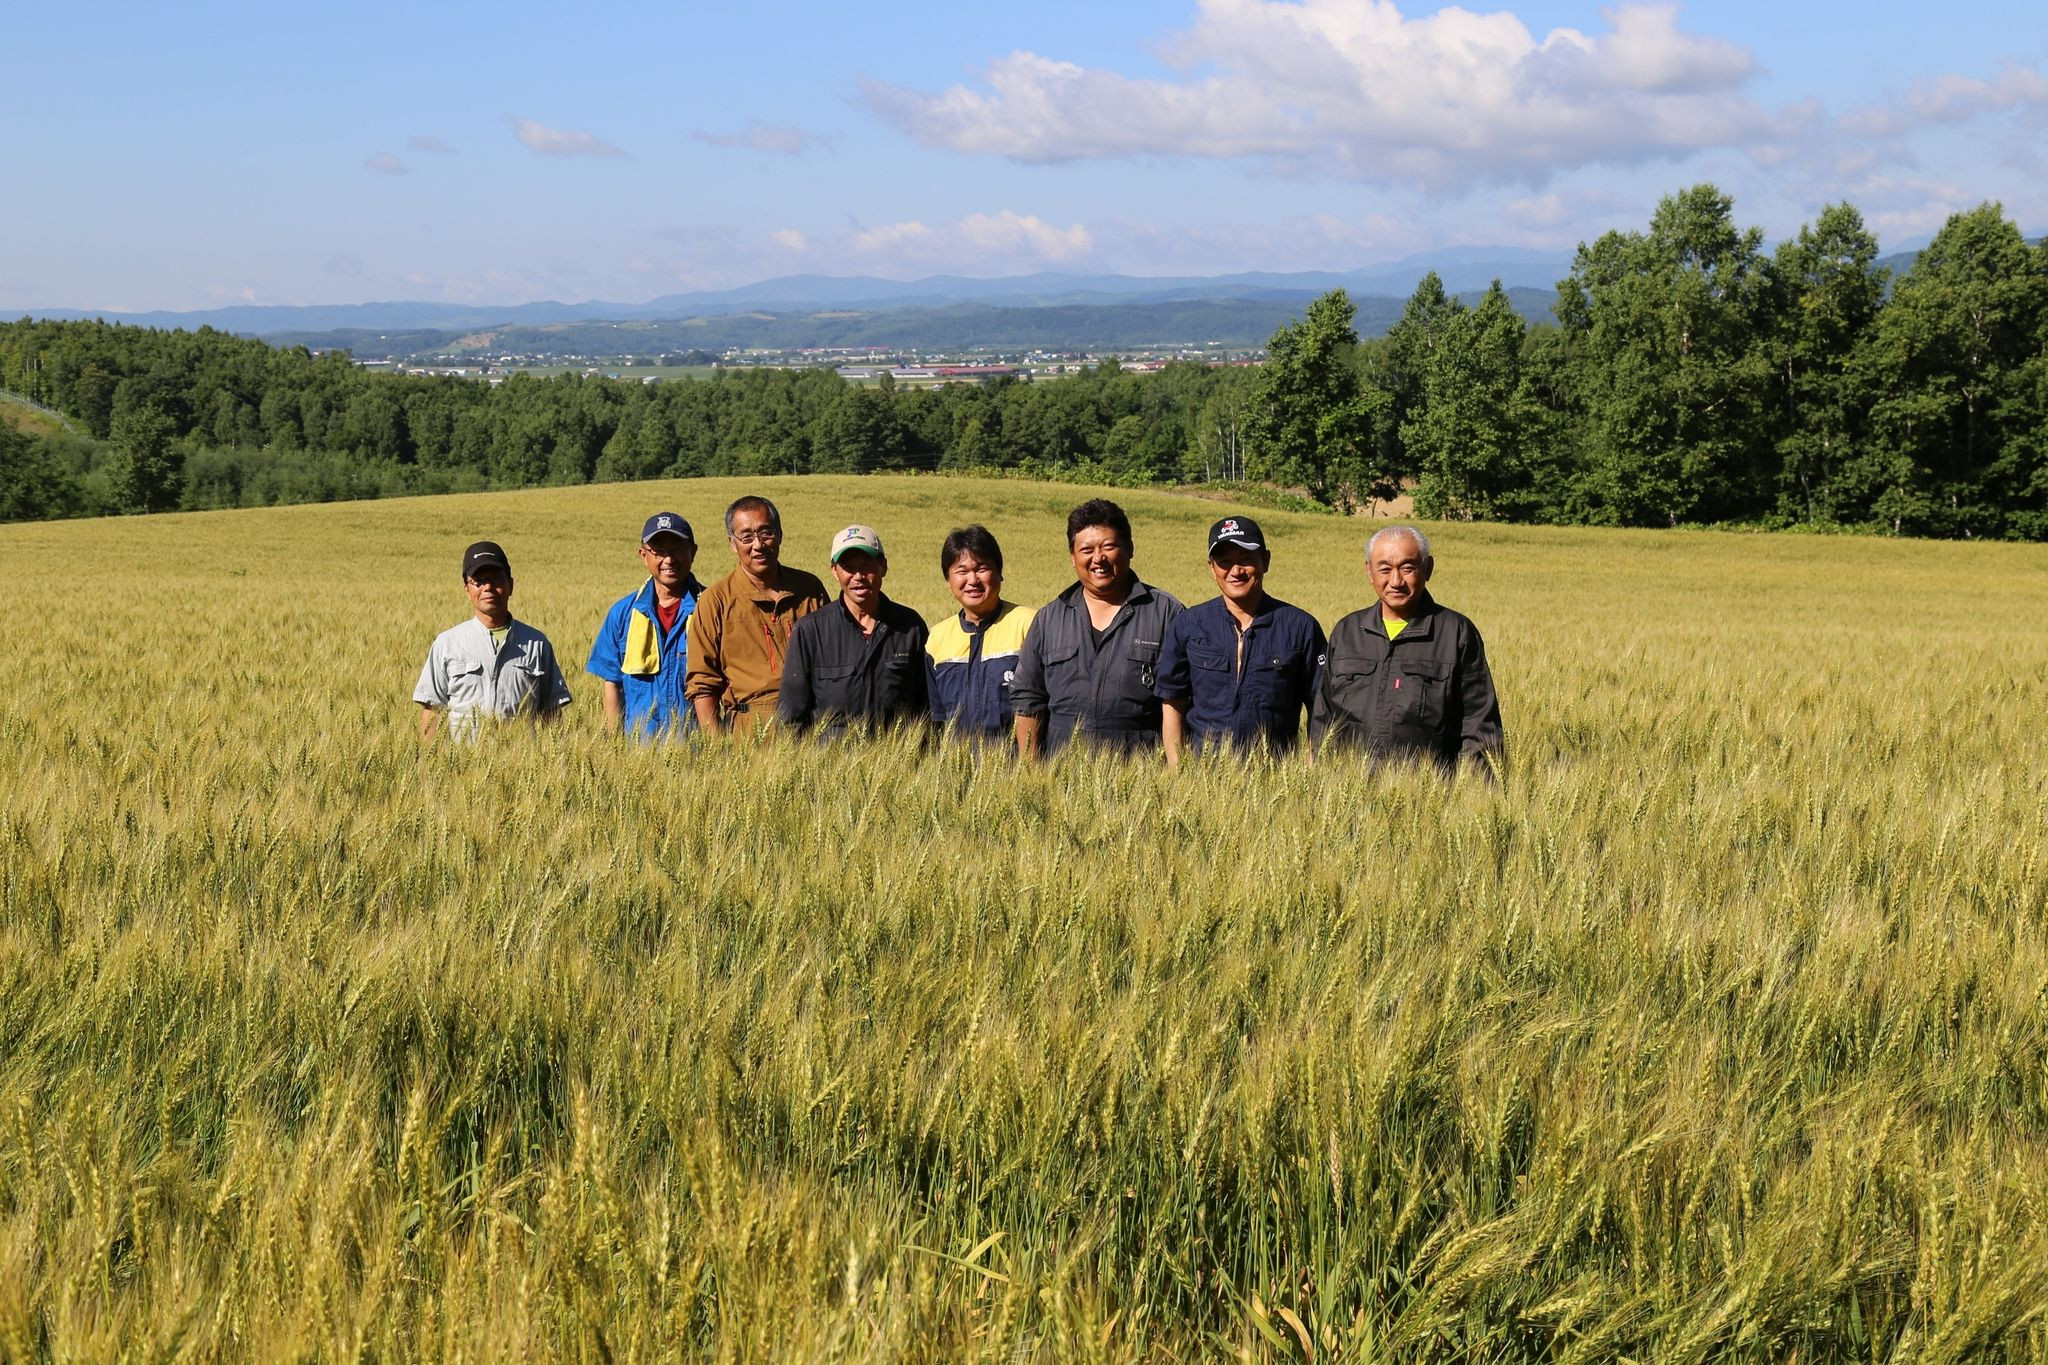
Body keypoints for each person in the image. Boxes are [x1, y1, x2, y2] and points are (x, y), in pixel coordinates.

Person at [1310, 525, 1504, 772]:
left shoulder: (1456, 633)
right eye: (1384, 569)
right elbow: (1324, 719)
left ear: (1428, 568)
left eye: (1407, 568)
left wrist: (1474, 797)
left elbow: (1479, 729)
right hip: (1348, 799)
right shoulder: (1348, 632)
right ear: (1369, 572)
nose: (1396, 581)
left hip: (1429, 801)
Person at [1011, 498, 1184, 757]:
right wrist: (1030, 772)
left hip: (1140, 777)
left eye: (1108, 546)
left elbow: (1179, 700)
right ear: (1073, 557)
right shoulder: (1049, 619)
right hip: (1062, 776)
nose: (1098, 559)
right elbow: (1028, 699)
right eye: (1086, 550)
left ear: (1130, 548)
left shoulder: (1167, 613)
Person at [1156, 515, 1327, 765]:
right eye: (1224, 562)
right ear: (1211, 568)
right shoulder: (1188, 625)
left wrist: (1312, 767)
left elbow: (1318, 704)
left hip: (1276, 779)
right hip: (1201, 779)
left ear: (1265, 561)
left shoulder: (1300, 627)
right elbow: (1173, 701)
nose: (1235, 571)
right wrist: (1175, 767)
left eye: (1246, 559)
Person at [684, 495, 829, 734]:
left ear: (780, 534)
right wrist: (716, 745)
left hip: (811, 729)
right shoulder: (716, 600)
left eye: (766, 533)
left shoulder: (809, 589)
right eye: (747, 537)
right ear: (732, 543)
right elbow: (703, 682)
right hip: (748, 732)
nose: (758, 545)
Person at [777, 525, 930, 738]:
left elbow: (925, 709)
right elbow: (790, 717)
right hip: (828, 766)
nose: (858, 576)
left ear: (883, 567)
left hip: (896, 765)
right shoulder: (811, 631)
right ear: (834, 571)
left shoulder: (910, 627)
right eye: (848, 567)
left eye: (867, 566)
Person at [413, 540, 572, 741]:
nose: (488, 587)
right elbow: (433, 712)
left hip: (521, 765)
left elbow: (552, 715)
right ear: (466, 589)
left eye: (496, 579)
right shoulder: (446, 644)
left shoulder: (537, 644)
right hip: (461, 766)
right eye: (478, 581)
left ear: (510, 585)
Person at [585, 511, 705, 740]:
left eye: (678, 548)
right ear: (643, 555)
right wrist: (614, 747)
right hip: (640, 756)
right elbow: (613, 684)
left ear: (693, 552)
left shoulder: (711, 609)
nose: (669, 559)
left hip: (699, 757)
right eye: (659, 550)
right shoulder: (622, 614)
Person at [925, 525, 1036, 742]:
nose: (973, 580)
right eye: (962, 571)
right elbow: (936, 720)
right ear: (948, 581)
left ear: (999, 573)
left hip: (1017, 770)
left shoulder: (1029, 624)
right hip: (955, 770)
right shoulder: (937, 638)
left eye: (982, 568)